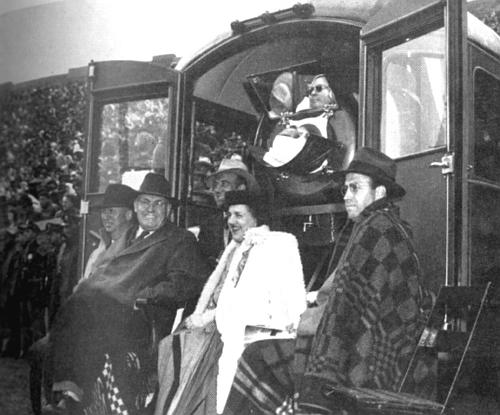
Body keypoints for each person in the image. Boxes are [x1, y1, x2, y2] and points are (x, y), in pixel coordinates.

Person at [224, 147, 432, 414]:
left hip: (366, 358)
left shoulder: (376, 229)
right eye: (346, 188)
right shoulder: (390, 225)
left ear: (379, 192)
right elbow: (349, 300)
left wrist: (304, 323)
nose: (346, 196)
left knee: (258, 356)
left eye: (355, 188)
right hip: (377, 350)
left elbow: (345, 308)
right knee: (265, 353)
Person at [43, 173, 210, 414]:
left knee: (81, 310)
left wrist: (144, 295)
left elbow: (187, 282)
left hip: (142, 316)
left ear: (169, 210)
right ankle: (68, 393)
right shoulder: (129, 236)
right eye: (145, 202)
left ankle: (72, 398)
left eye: (159, 203)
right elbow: (105, 270)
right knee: (74, 307)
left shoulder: (179, 239)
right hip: (106, 307)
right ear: (135, 206)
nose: (150, 209)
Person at [154, 190, 307, 415]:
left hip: (259, 340)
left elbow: (293, 300)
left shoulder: (279, 243)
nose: (231, 221)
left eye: (239, 215)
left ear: (256, 217)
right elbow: (228, 300)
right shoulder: (238, 248)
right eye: (229, 215)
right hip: (228, 337)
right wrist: (204, 318)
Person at [198, 155, 260, 267]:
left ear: (241, 189)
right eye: (215, 185)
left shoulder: (257, 223)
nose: (217, 190)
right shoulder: (209, 225)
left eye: (224, 184)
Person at [80, 183, 137, 282]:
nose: (106, 217)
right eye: (103, 211)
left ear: (128, 215)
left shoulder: (133, 250)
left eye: (111, 211)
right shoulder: (99, 250)